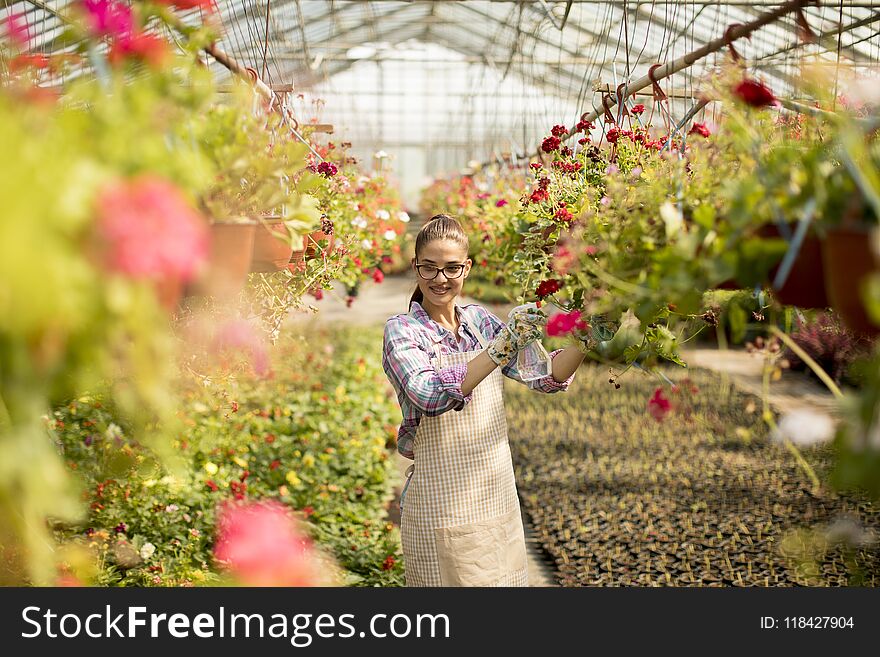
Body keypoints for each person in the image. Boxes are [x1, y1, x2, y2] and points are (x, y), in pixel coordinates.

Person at [382, 214, 586, 587]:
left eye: (451, 268)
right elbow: (429, 396)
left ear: (467, 267)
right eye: (429, 268)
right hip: (440, 506)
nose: (440, 279)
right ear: (415, 266)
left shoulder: (480, 323)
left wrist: (587, 332)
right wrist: (498, 349)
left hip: (494, 498)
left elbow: (546, 377)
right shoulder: (403, 331)